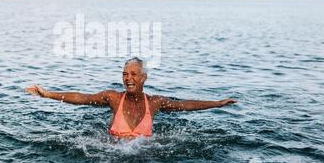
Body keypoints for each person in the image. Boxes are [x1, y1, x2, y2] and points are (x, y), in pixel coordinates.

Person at [26, 57, 237, 138]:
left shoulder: (154, 103)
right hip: (110, 157)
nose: (128, 78)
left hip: (144, 159)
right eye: (125, 74)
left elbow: (184, 105)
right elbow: (81, 97)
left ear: (144, 78)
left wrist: (217, 104)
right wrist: (47, 94)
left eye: (133, 74)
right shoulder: (113, 98)